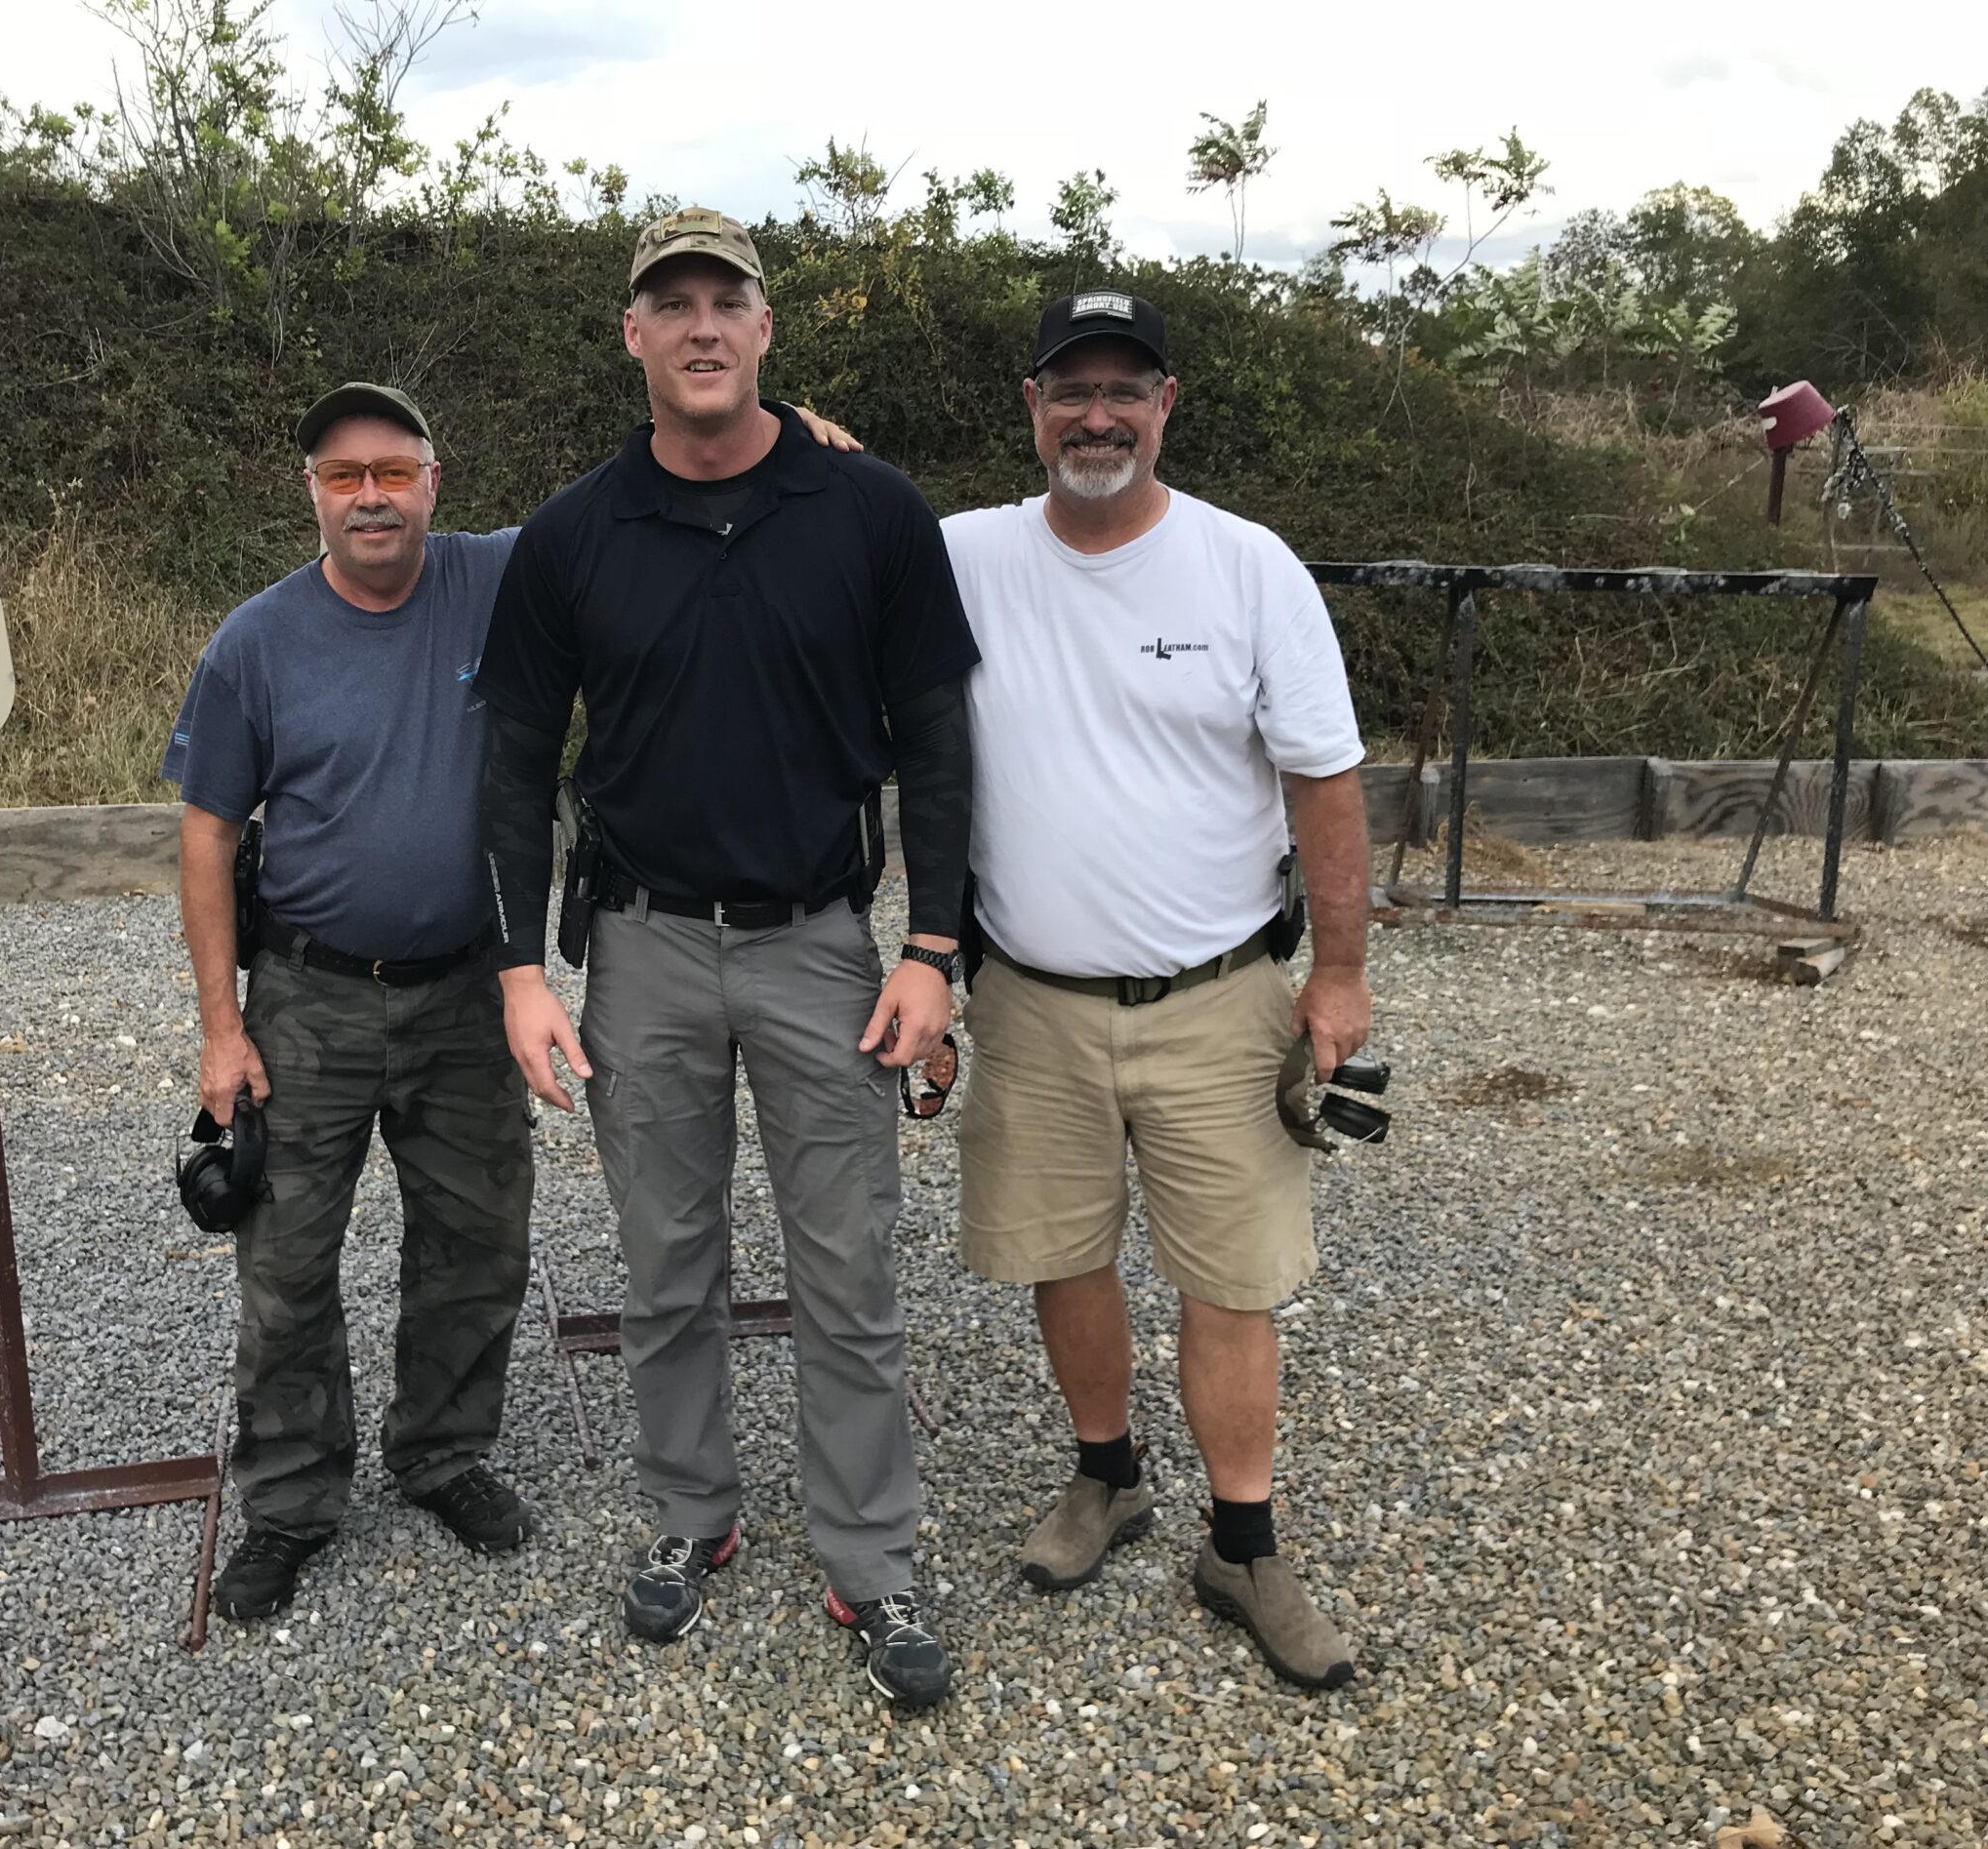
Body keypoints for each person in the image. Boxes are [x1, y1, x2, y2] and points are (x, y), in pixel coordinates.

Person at [167, 380, 866, 1623]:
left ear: (436, 481)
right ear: (311, 495)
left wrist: (774, 453)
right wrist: (222, 1027)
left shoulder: (507, 574)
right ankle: (287, 1501)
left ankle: (440, 1456)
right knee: (287, 1265)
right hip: (309, 999)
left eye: (393, 470)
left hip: (469, 992)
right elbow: (209, 831)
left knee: (476, 1247)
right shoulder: (255, 643)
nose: (370, 495)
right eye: (343, 476)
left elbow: (643, 491)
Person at [474, 207, 978, 1708]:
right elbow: (510, 757)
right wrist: (517, 969)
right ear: (632, 336)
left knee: (848, 1265)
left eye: (726, 302)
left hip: (825, 948)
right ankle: (694, 1517)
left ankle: (872, 1557)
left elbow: (939, 739)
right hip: (640, 951)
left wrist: (935, 945)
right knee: (667, 1265)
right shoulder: (575, 534)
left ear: (767, 330)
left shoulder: (869, 511)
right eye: (670, 304)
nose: (701, 327)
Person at [944, 290, 1372, 1691]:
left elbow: (1325, 778)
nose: (1098, 416)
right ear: (1032, 406)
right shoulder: (963, 558)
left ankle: (1243, 1542)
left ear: (1168, 404)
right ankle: (1106, 1477)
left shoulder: (1249, 570)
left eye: (1126, 389)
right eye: (1072, 390)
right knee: (1061, 1251)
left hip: (1219, 995)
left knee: (1231, 1278)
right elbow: (821, 515)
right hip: (1032, 1000)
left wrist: (1343, 976)